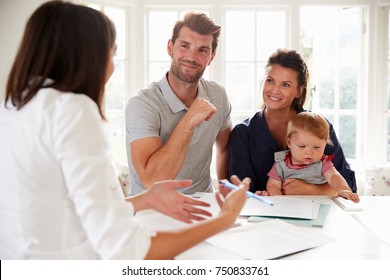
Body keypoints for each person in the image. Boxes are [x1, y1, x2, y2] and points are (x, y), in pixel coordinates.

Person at [0, 1, 249, 260]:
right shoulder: (73, 110)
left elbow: (74, 207)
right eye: (112, 51)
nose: (112, 63)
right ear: (86, 53)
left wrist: (143, 199)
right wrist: (225, 218)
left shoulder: (13, 106)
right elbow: (127, 249)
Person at [125, 11, 232, 195]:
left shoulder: (218, 95)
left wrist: (224, 192)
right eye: (184, 45)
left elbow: (225, 148)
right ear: (170, 47)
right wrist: (189, 120)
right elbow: (152, 180)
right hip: (153, 211)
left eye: (202, 50)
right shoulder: (142, 105)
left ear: (211, 58)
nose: (191, 57)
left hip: (203, 206)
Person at [229, 48, 357, 195]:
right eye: (270, 81)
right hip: (266, 213)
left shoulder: (319, 126)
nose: (275, 90)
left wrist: (312, 190)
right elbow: (241, 189)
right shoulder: (243, 133)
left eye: (286, 84)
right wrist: (262, 196)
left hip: (316, 213)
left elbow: (349, 185)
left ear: (298, 91)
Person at [265, 112, 359, 202]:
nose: (309, 152)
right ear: (289, 142)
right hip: (291, 206)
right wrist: (280, 201)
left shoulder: (323, 163)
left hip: (319, 204)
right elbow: (273, 185)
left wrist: (343, 189)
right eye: (302, 146)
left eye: (317, 147)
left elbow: (334, 176)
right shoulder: (281, 164)